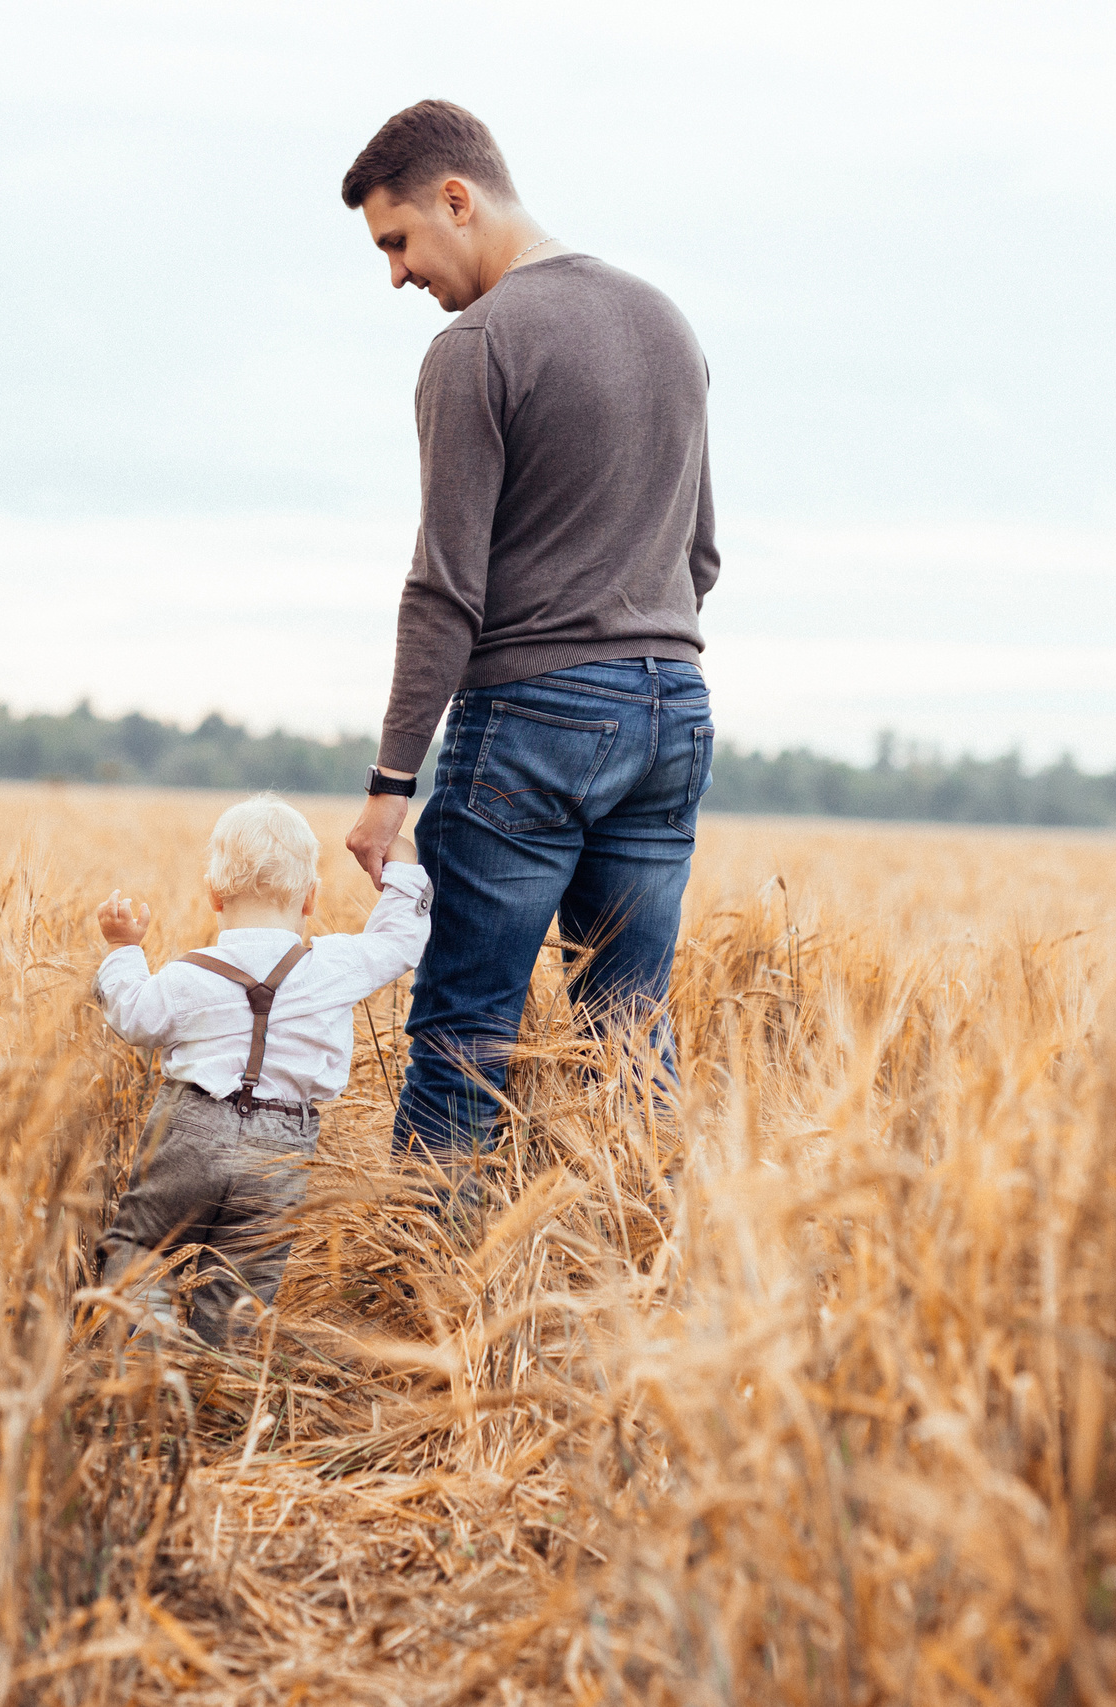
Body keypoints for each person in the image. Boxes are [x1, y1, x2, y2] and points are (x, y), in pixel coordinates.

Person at [336, 99, 720, 1165]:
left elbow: (444, 590)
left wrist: (388, 784)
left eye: (399, 240)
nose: (398, 275)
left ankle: (426, 1292)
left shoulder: (476, 347)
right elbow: (700, 558)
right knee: (630, 1031)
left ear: (458, 199)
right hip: (672, 711)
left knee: (464, 1035)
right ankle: (647, 1268)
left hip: (536, 722)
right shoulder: (665, 321)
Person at [91, 794, 431, 1344]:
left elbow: (133, 1015)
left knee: (139, 1247)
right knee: (241, 1293)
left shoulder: (187, 975)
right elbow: (398, 942)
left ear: (213, 895)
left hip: (190, 1131)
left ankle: (143, 1367)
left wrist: (124, 949)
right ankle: (219, 1393)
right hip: (281, 1148)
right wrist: (405, 868)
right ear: (311, 898)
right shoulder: (332, 967)